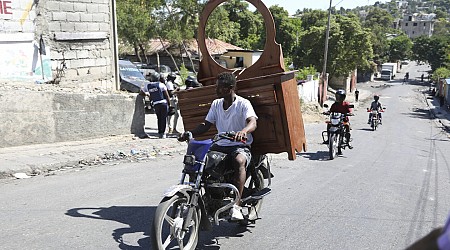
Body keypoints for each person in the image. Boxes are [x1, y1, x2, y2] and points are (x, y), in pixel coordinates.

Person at [178, 72, 258, 221]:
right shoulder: (216, 104)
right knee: (199, 162)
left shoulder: (243, 103)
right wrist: (190, 133)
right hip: (220, 144)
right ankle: (204, 199)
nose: (216, 90)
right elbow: (206, 125)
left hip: (239, 145)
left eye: (220, 87)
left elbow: (252, 122)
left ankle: (237, 206)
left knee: (240, 161)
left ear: (230, 88)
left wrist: (243, 131)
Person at [140, 71, 172, 139]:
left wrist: (147, 94)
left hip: (155, 104)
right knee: (163, 118)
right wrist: (170, 105)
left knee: (159, 118)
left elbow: (141, 92)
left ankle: (159, 132)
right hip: (163, 103)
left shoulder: (148, 85)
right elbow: (167, 96)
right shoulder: (161, 84)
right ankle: (162, 133)